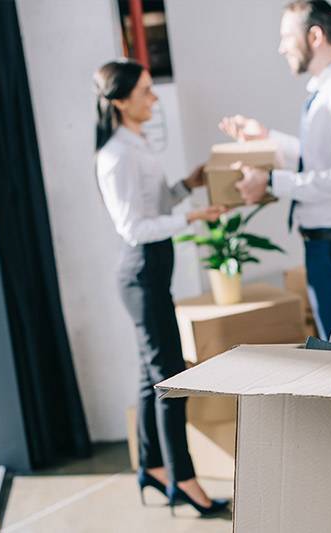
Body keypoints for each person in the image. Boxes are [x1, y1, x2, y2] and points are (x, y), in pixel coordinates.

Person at [93, 59, 229, 516]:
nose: (154, 99)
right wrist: (193, 216)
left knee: (149, 374)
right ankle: (184, 481)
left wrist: (185, 187)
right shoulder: (115, 155)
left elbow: (154, 204)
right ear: (120, 101)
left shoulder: (136, 143)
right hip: (142, 276)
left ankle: (152, 467)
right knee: (170, 377)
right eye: (146, 92)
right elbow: (134, 227)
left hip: (151, 275)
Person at [219, 0, 331, 339]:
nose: (281, 48)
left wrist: (271, 181)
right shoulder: (328, 89)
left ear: (315, 36)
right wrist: (266, 137)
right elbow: (318, 159)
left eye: (286, 37)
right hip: (327, 245)